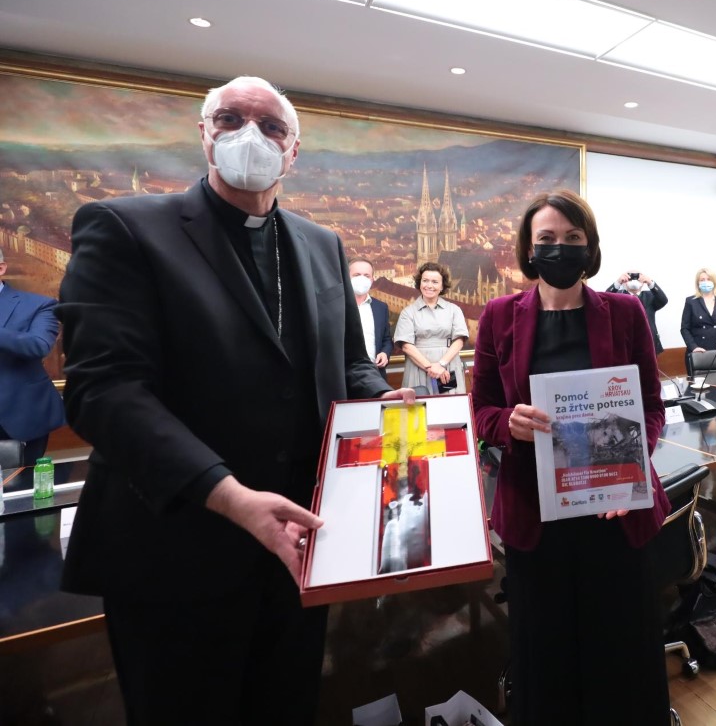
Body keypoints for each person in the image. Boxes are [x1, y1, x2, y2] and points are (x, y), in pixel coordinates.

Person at [56, 75, 414, 726]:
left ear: (293, 151)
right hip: (176, 549)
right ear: (205, 134)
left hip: (300, 547)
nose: (251, 135)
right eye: (230, 119)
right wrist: (228, 494)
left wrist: (392, 406)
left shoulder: (321, 244)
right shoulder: (127, 228)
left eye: (271, 126)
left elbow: (350, 364)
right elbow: (105, 391)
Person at [471, 190, 671, 726]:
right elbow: (480, 409)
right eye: (547, 239)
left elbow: (651, 407)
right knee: (546, 655)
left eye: (572, 238)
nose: (560, 248)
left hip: (616, 513)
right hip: (536, 519)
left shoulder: (625, 312)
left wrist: (632, 466)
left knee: (621, 653)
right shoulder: (499, 316)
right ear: (529, 250)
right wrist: (506, 423)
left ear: (590, 246)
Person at [0, 248, 66, 466]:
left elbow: (39, 345)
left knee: (21, 484)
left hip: (19, 416)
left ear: (1, 268)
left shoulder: (39, 305)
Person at [394, 261, 468, 393]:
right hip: (418, 366)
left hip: (447, 366)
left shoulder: (454, 310)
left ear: (442, 286)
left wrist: (441, 364)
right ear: (419, 283)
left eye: (435, 282)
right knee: (420, 403)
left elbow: (459, 340)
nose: (429, 285)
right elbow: (406, 346)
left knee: (448, 402)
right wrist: (430, 367)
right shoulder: (408, 312)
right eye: (425, 280)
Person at [349, 257, 393, 380]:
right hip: (343, 377)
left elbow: (386, 339)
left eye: (366, 275)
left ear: (372, 280)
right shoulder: (335, 307)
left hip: (374, 374)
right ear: (347, 277)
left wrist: (385, 353)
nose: (362, 279)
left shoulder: (381, 307)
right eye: (357, 275)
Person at [679, 267, 716, 358]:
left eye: (709, 279)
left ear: (714, 281)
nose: (705, 282)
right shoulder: (691, 301)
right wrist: (693, 347)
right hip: (699, 351)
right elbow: (685, 328)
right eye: (702, 280)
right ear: (698, 283)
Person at [605, 269, 668, 352]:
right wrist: (618, 282)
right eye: (630, 277)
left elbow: (663, 300)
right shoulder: (617, 296)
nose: (634, 279)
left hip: (648, 346)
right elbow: (605, 301)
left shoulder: (650, 296)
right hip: (624, 346)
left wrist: (650, 283)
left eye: (638, 277)